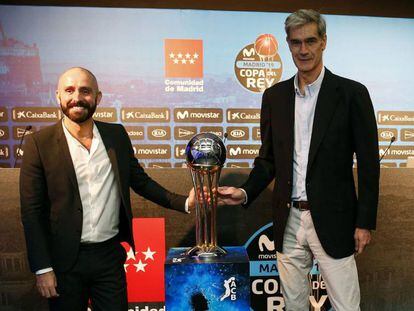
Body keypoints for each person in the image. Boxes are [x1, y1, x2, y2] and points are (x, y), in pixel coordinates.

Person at [219, 9, 379, 311]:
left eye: (310, 41)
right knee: (293, 306)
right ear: (288, 45)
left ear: (324, 42)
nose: (303, 50)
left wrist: (364, 222)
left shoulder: (352, 94)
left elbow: (370, 165)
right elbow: (267, 160)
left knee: (346, 306)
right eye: (295, 43)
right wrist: (244, 191)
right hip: (288, 219)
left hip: (335, 220)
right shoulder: (274, 97)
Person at [20, 67, 195, 310]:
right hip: (63, 262)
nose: (77, 97)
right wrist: (43, 268)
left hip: (108, 258)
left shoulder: (116, 135)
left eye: (85, 91)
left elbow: (141, 182)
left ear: (97, 98)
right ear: (58, 96)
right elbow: (32, 213)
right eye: (69, 90)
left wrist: (185, 202)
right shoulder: (39, 143)